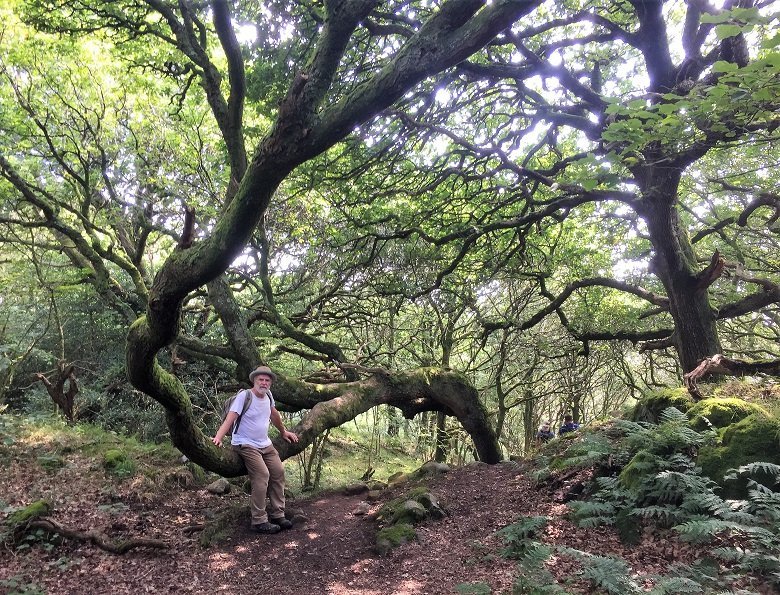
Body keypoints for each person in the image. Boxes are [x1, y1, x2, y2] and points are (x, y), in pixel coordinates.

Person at [212, 365, 299, 534]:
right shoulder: (245, 396)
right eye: (261, 379)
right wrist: (218, 437)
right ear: (254, 380)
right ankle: (258, 520)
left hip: (265, 444)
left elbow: (274, 414)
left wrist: (283, 432)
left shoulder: (268, 396)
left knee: (278, 471)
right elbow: (231, 418)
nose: (264, 383)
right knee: (262, 474)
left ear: (270, 383)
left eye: (267, 380)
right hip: (245, 443)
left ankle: (278, 514)